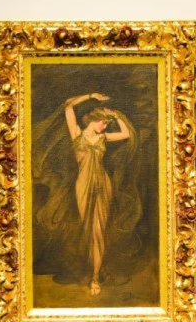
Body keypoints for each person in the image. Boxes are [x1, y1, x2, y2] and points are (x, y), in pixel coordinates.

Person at [32, 93, 141, 297]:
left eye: (106, 124)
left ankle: (95, 278)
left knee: (98, 231)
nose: (104, 127)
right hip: (83, 185)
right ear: (93, 119)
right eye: (103, 123)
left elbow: (126, 134)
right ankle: (91, 271)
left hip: (103, 184)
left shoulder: (103, 138)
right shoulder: (76, 133)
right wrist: (90, 96)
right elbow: (68, 107)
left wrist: (115, 115)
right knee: (89, 229)